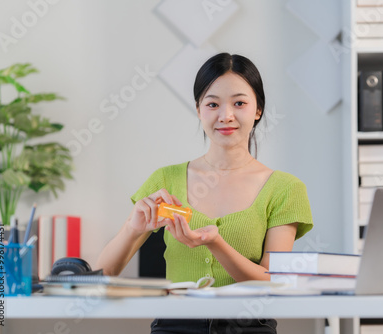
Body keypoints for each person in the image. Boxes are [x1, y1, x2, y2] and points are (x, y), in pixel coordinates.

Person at [96, 53, 314, 334]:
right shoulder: (165, 180)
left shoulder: (285, 188)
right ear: (199, 109)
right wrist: (131, 228)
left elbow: (272, 282)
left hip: (249, 327)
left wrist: (215, 244)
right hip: (174, 326)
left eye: (239, 103)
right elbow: (103, 277)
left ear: (258, 109)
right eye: (213, 104)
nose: (226, 116)